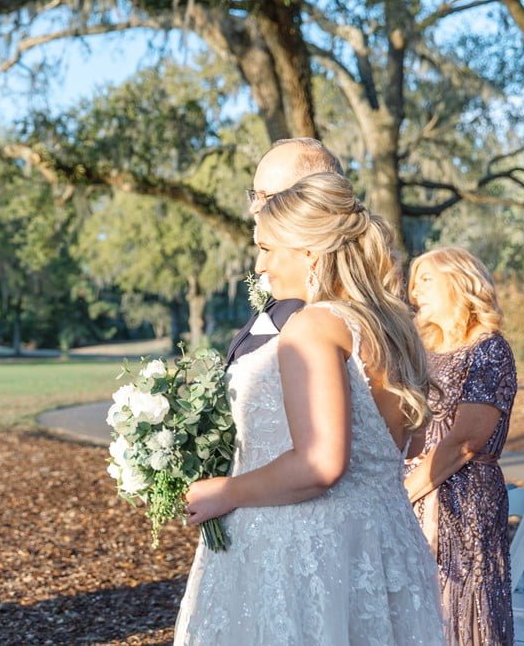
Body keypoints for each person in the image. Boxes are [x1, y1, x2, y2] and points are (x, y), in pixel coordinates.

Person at [175, 173, 443, 644]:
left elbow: (320, 463)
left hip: (311, 560)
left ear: (309, 251)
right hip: (384, 547)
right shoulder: (390, 327)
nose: (260, 265)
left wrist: (226, 491)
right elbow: (410, 442)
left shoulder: (312, 328)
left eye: (269, 248)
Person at [404, 247, 517, 645]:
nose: (414, 290)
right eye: (414, 280)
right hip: (413, 498)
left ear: (459, 282)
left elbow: (466, 441)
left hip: (463, 502)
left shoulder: (488, 349)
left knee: (461, 611)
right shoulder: (421, 353)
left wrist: (402, 495)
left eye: (427, 279)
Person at [226, 137, 344, 365]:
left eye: (266, 196)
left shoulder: (324, 316)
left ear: (310, 198)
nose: (253, 208)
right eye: (254, 195)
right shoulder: (283, 281)